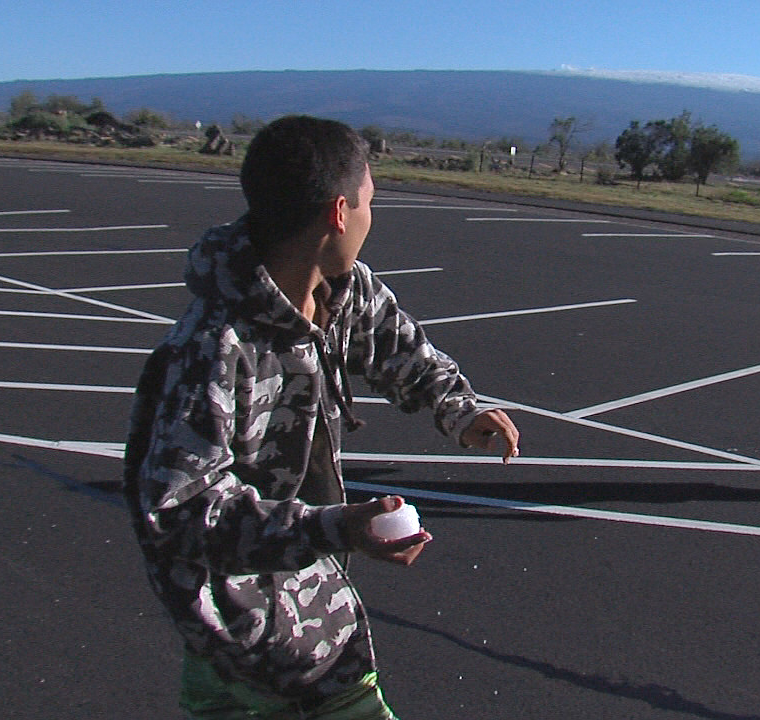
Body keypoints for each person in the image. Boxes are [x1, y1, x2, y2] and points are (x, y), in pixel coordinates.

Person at [122, 115, 520, 719]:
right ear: (339, 212)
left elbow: (399, 349)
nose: (370, 218)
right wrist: (340, 528)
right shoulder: (214, 347)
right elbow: (181, 513)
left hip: (299, 605)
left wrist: (462, 410)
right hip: (247, 628)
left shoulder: (339, 289)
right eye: (368, 201)